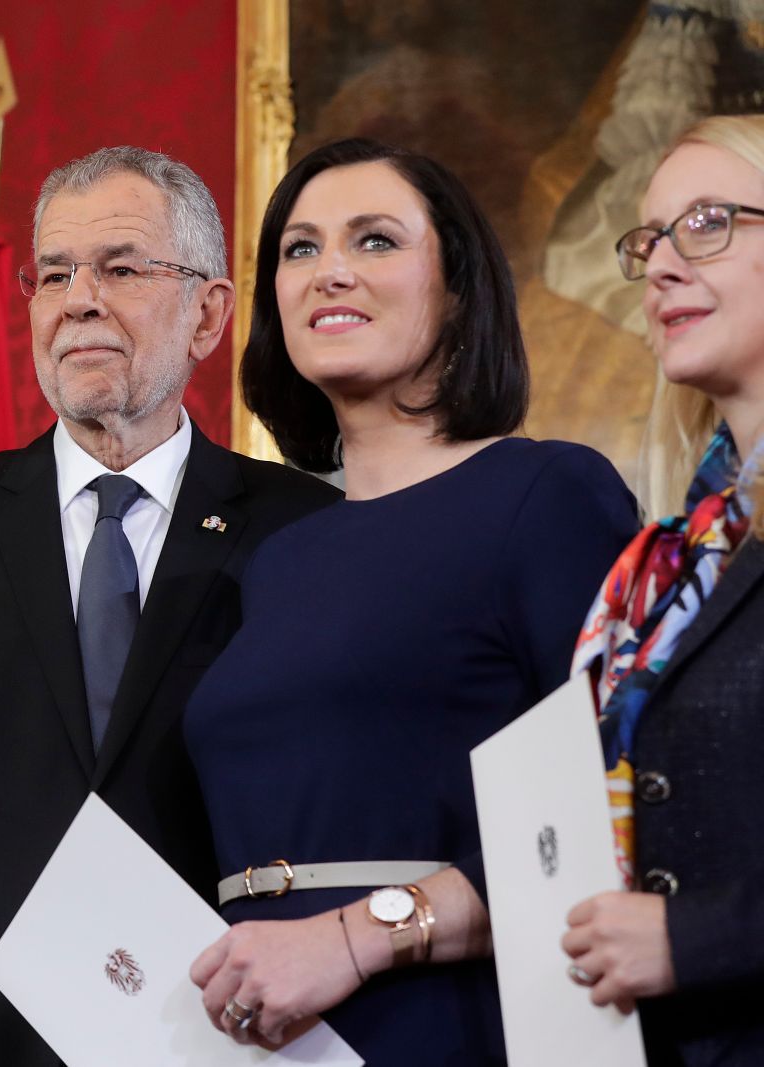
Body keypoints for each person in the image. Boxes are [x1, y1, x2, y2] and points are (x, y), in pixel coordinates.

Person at [0, 146, 339, 1067]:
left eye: (121, 268)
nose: (79, 298)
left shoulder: (306, 530)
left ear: (209, 313)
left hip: (226, 1034)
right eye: (53, 272)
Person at [182, 137, 637, 1065]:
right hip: (258, 1037)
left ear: (459, 287)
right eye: (299, 249)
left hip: (455, 1023)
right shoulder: (276, 555)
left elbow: (611, 819)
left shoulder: (546, 494)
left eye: (375, 241)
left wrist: (355, 938)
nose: (330, 271)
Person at [565, 113, 764, 1067]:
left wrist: (698, 937)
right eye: (651, 239)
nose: (663, 265)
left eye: (710, 222)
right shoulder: (671, 557)